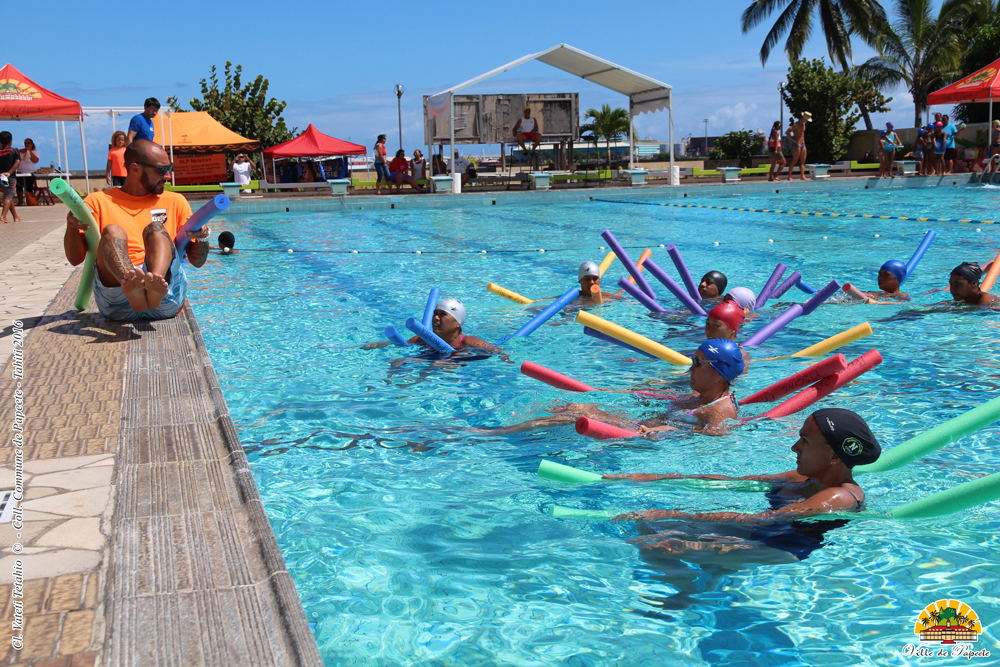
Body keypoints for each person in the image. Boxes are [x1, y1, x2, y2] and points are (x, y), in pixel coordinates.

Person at [609, 409, 880, 565]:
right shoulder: (802, 478)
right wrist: (651, 478)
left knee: (663, 544)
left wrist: (680, 515)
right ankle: (705, 579)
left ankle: (686, 595)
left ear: (835, 455)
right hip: (760, 532)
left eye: (805, 442)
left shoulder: (840, 496)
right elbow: (735, 484)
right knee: (648, 528)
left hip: (784, 547)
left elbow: (769, 518)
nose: (794, 447)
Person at [62, 140, 211, 321]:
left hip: (164, 293)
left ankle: (153, 285)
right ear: (134, 169)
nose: (168, 176)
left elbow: (197, 262)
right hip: (116, 294)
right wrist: (71, 227)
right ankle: (131, 283)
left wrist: (202, 238)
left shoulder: (176, 201)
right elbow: (75, 259)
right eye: (161, 170)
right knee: (112, 231)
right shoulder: (97, 202)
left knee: (156, 229)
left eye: (169, 168)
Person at [480, 339, 744, 437]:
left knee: (571, 416)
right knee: (572, 407)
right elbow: (665, 400)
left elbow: (711, 438)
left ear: (720, 372)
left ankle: (491, 433)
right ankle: (499, 429)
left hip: (640, 436)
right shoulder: (702, 396)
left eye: (697, 362)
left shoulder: (719, 411)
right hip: (639, 422)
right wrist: (620, 394)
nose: (690, 368)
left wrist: (668, 430)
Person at [364, 297, 505, 356]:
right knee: (396, 362)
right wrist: (377, 345)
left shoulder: (467, 341)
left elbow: (494, 350)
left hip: (455, 370)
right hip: (430, 362)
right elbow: (402, 344)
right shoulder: (423, 339)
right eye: (435, 313)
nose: (435, 318)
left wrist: (503, 356)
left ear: (457, 322)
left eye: (442, 314)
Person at [843, 260, 910, 304]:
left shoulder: (902, 296)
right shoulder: (875, 293)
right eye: (880, 274)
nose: (880, 278)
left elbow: (902, 303)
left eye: (886, 275)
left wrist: (876, 302)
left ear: (898, 279)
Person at [0, 131, 21, 223]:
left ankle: (15, 216)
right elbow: (17, 163)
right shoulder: (14, 151)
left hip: (0, 176)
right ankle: (3, 216)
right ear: (10, 141)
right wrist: (9, 173)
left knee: (9, 195)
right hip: (10, 177)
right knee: (9, 196)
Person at [786, 112, 811, 181]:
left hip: (803, 143)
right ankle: (789, 176)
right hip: (797, 144)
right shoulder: (796, 124)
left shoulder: (804, 124)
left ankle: (802, 176)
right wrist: (793, 140)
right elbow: (787, 132)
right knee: (794, 160)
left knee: (803, 161)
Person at [16, 138, 39, 205]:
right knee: (19, 187)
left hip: (30, 173)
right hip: (20, 172)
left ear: (32, 144)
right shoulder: (20, 152)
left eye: (28, 143)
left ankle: (30, 201)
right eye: (25, 143)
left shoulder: (35, 152)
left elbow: (35, 160)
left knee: (29, 187)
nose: (26, 144)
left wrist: (29, 152)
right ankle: (21, 201)